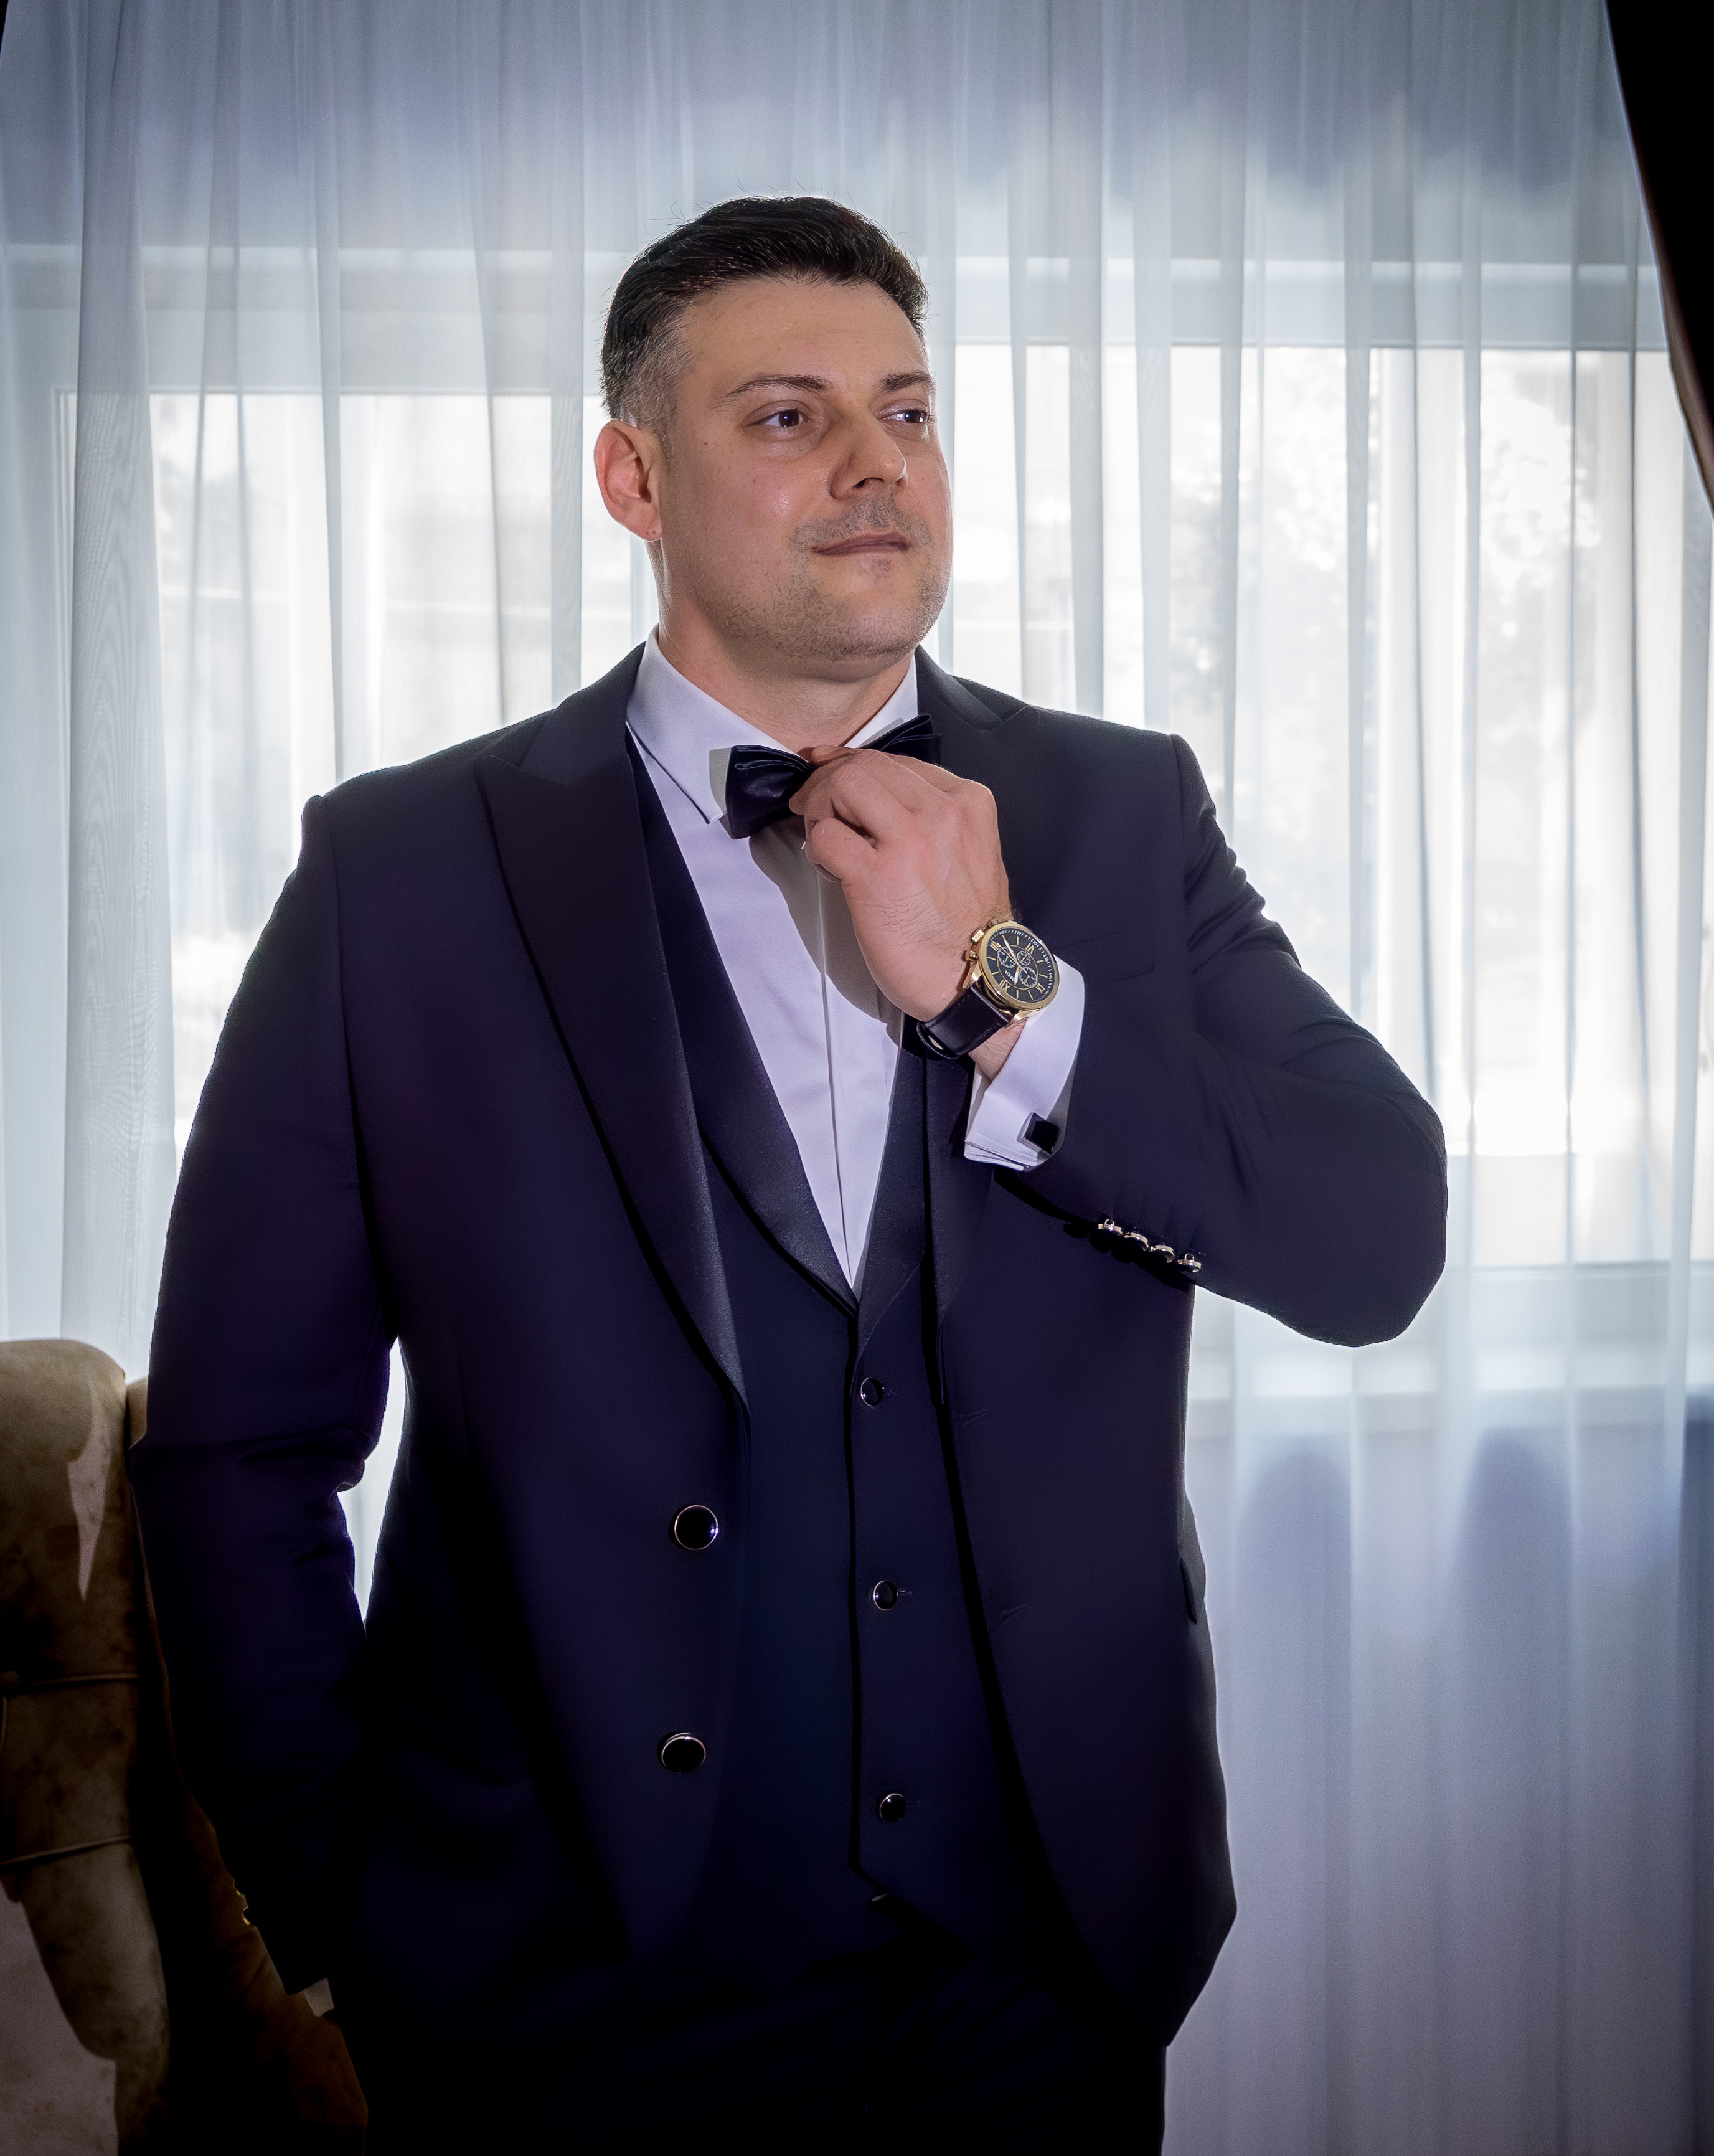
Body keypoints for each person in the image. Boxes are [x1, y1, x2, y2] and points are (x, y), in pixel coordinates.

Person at [129, 196, 1446, 2150]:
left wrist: (1003, 982)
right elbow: (239, 1444)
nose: (871, 462)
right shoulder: (399, 876)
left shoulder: (1117, 807)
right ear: (631, 478)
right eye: (784, 416)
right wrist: (338, 1905)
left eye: (905, 410)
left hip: (1038, 1967)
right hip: (566, 1996)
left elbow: (1370, 1238)